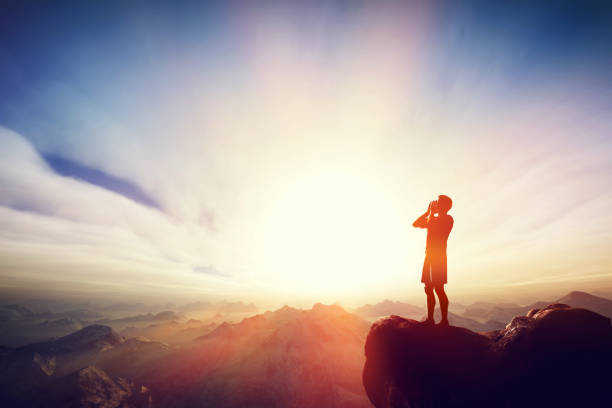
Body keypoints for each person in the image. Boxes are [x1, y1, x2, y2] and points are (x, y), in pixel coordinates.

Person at [413, 195, 453, 326]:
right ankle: (430, 319)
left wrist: (430, 213)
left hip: (438, 258)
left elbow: (432, 224)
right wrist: (427, 212)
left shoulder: (448, 219)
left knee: (438, 288)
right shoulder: (433, 219)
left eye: (439, 203)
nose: (436, 204)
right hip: (429, 257)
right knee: (428, 288)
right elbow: (416, 224)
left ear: (445, 206)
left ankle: (444, 320)